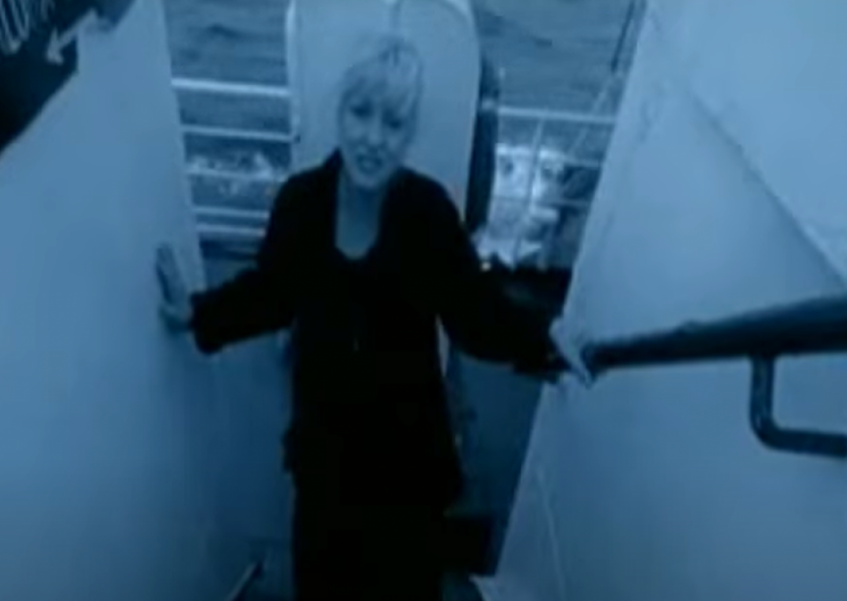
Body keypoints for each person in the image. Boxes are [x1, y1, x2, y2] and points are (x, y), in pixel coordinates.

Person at [156, 35, 588, 601]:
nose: (373, 138)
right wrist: (194, 312)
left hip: (409, 469)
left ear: (408, 135)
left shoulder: (428, 213)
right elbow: (270, 292)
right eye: (362, 113)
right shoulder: (301, 203)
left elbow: (475, 313)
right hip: (324, 463)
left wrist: (546, 335)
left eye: (393, 123)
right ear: (340, 112)